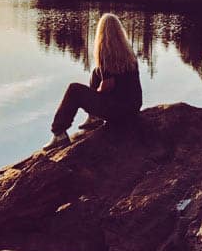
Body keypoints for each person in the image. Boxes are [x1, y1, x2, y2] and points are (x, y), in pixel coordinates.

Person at [43, 13, 142, 151]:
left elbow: (107, 86)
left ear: (102, 33)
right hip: (132, 108)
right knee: (96, 71)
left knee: (74, 89)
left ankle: (59, 133)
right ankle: (94, 118)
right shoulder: (128, 54)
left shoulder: (107, 55)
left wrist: (93, 96)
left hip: (119, 112)